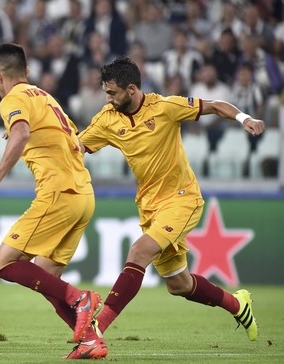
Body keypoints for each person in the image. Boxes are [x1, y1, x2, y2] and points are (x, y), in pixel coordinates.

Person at [75, 56, 263, 359]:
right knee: (179, 284)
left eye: (112, 93)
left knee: (138, 253)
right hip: (150, 208)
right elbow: (77, 146)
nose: (107, 99)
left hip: (182, 198)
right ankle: (238, 305)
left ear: (132, 89)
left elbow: (214, 105)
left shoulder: (165, 107)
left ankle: (95, 329)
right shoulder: (107, 119)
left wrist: (245, 119)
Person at [0, 43, 103, 359]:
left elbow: (20, 135)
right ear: (27, 72)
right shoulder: (44, 97)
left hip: (58, 193)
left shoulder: (13, 100)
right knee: (45, 276)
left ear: (0, 76)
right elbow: (68, 138)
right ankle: (90, 341)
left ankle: (79, 298)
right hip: (83, 195)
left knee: (2, 264)